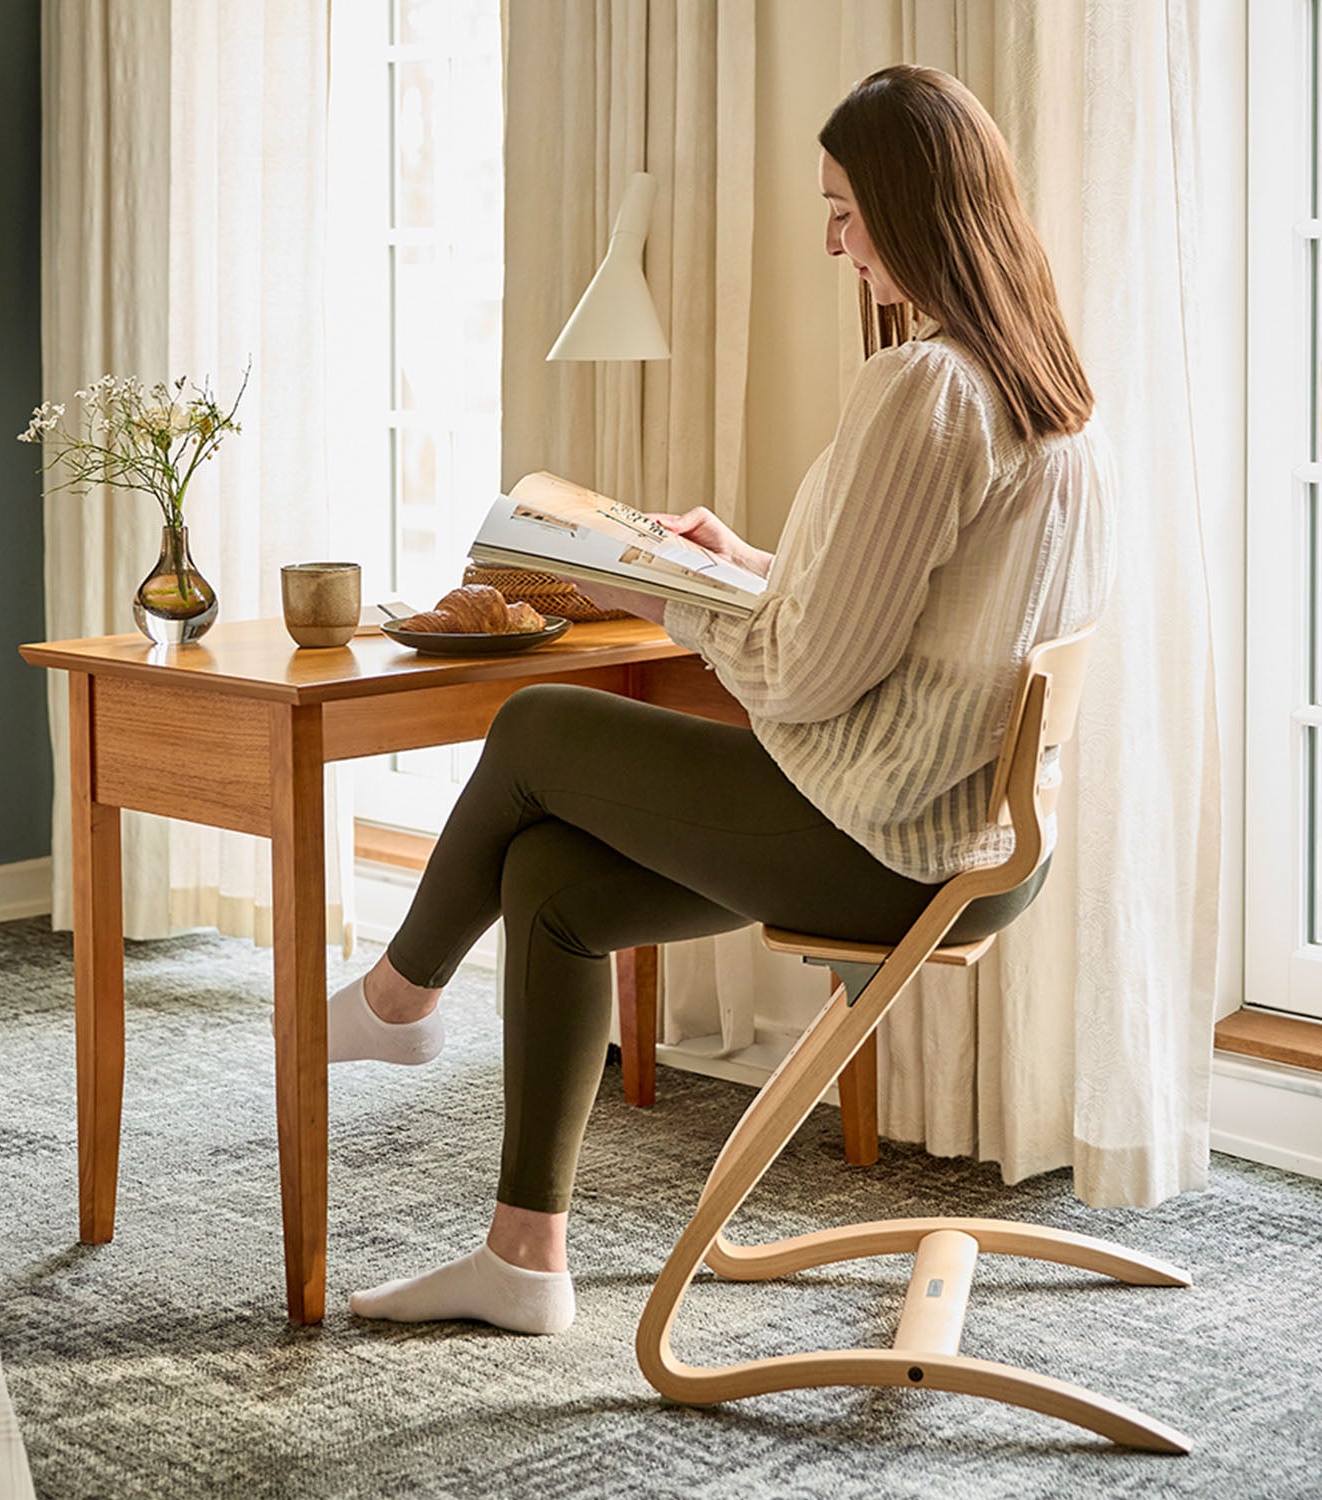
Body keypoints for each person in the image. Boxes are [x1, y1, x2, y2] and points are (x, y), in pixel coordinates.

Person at [332, 64, 1115, 1336]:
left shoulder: (925, 387)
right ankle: (523, 1259)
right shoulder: (1045, 386)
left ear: (912, 208)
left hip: (883, 840)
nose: (834, 241)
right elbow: (908, 614)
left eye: (845, 210)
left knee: (532, 727)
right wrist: (745, 565)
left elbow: (806, 676)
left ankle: (398, 998)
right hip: (980, 845)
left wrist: (656, 592)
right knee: (550, 884)